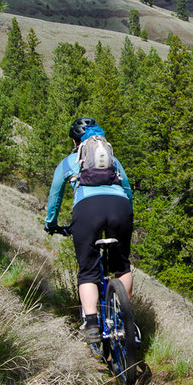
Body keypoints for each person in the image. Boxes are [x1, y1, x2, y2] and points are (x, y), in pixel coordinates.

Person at [44, 117, 134, 343]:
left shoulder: (69, 161)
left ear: (76, 143)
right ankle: (124, 317)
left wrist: (51, 223)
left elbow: (55, 195)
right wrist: (127, 214)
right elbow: (128, 190)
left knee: (88, 272)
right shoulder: (113, 160)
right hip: (120, 208)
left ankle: (92, 323)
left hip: (87, 210)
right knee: (122, 266)